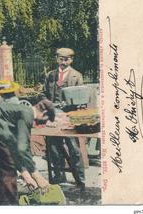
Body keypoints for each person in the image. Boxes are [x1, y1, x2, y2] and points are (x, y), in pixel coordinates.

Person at [0, 82, 55, 205]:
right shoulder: (27, 113)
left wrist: (26, 175)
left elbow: (12, 146)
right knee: (8, 171)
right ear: (45, 114)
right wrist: (37, 176)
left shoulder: (18, 111)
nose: (41, 124)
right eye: (44, 121)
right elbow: (22, 148)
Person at [43, 48, 85, 189]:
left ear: (71, 60)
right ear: (56, 59)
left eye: (66, 59)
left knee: (73, 148)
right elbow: (43, 94)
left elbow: (82, 99)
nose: (63, 62)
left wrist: (69, 105)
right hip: (53, 116)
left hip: (69, 117)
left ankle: (80, 180)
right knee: (53, 147)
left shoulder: (77, 76)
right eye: (60, 58)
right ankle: (58, 177)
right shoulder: (50, 75)